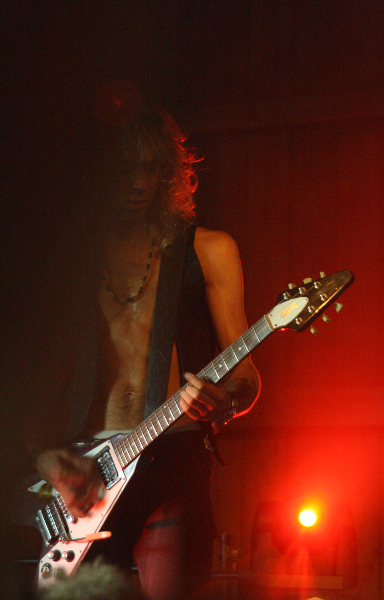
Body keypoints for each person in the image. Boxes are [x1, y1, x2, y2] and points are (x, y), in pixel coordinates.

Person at [29, 97, 260, 600]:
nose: (138, 183)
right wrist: (47, 459)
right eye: (123, 168)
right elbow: (28, 387)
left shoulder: (210, 250)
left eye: (151, 167)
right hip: (87, 473)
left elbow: (246, 378)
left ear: (169, 171)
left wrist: (225, 401)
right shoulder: (63, 264)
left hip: (173, 459)